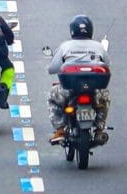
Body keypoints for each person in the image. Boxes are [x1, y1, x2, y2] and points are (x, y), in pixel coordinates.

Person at [47, 15, 111, 145]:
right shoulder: (99, 46)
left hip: (68, 90)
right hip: (95, 90)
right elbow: (107, 65)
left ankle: (60, 130)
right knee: (104, 99)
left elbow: (52, 68)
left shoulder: (65, 46)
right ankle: (100, 129)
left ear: (72, 30)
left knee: (52, 97)